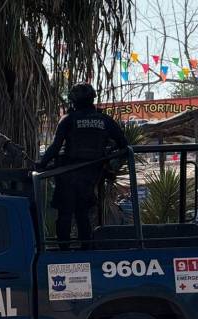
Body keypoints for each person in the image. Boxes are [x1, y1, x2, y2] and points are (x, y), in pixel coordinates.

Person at [37, 83, 129, 250]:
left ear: (73, 101)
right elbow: (124, 146)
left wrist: (41, 165)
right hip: (91, 176)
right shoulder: (105, 121)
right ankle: (86, 249)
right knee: (82, 214)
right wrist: (109, 161)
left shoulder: (68, 119)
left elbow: (55, 147)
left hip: (68, 174)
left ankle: (64, 251)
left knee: (65, 214)